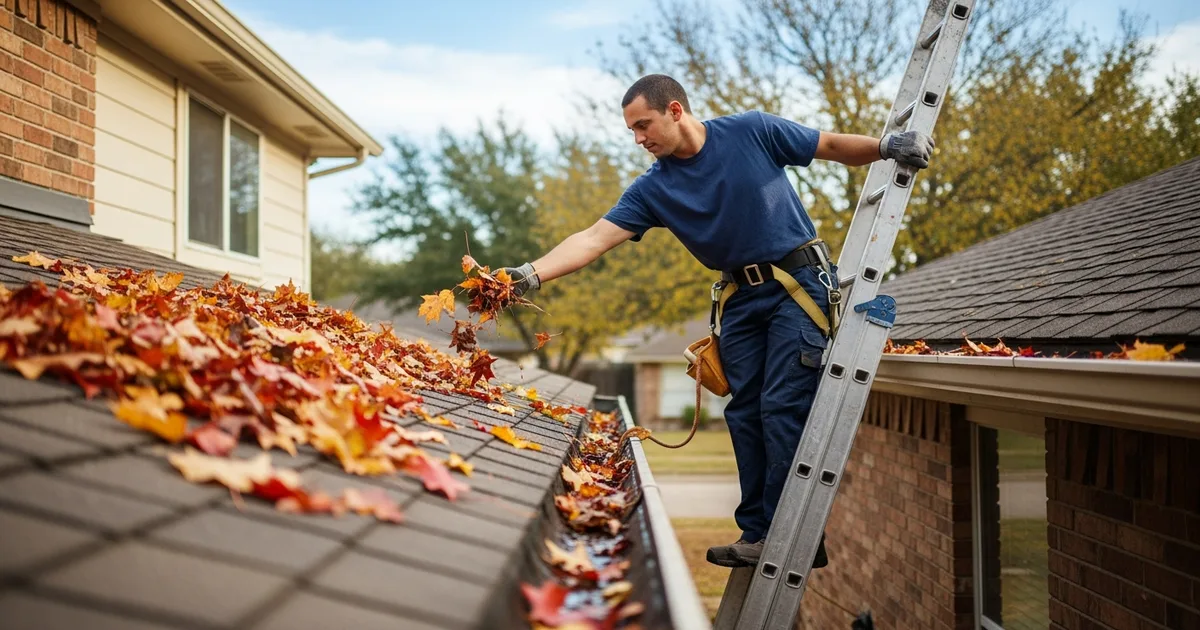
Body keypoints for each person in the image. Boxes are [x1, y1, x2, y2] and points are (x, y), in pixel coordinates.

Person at [500, 74, 933, 568]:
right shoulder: (654, 189)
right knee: (744, 412)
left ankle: (792, 534)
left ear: (676, 110)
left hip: (798, 285)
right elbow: (594, 237)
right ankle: (758, 533)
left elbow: (831, 146)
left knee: (781, 403)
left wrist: (886, 146)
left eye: (644, 126)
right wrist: (529, 275)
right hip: (741, 302)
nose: (639, 140)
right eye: (632, 132)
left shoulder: (753, 131)